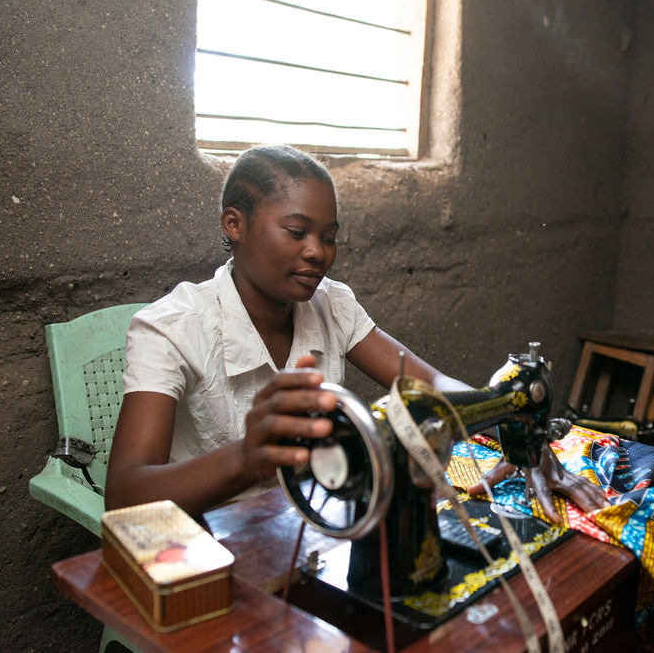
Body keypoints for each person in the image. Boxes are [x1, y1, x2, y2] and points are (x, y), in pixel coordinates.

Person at [105, 144, 606, 520]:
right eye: (297, 232)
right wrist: (243, 459)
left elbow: (431, 386)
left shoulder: (332, 304)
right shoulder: (170, 328)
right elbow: (124, 495)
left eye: (329, 238)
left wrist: (517, 427)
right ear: (234, 224)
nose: (317, 252)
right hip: (209, 549)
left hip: (313, 522)